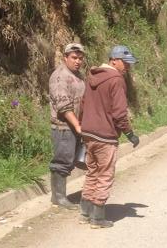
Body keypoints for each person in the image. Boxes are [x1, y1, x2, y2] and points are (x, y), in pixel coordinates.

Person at [79, 44, 140, 229]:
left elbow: (82, 104)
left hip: (88, 133)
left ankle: (85, 213)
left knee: (92, 172)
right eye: (125, 63)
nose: (127, 67)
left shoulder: (92, 76)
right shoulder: (116, 80)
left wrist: (84, 125)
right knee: (105, 175)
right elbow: (119, 113)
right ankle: (97, 218)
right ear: (114, 60)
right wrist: (130, 134)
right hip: (105, 135)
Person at [48, 42, 86, 209]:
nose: (77, 61)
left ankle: (60, 196)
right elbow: (63, 106)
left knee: (70, 161)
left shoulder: (78, 75)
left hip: (76, 125)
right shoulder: (59, 76)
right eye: (73, 58)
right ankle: (58, 197)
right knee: (62, 162)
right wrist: (77, 125)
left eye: (80, 58)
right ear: (65, 57)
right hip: (64, 127)